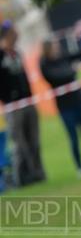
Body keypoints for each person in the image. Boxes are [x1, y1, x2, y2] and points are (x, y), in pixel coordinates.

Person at [40, 35, 81, 177]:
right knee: (73, 138)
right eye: (54, 45)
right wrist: (73, 71)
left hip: (80, 101)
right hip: (65, 107)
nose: (57, 47)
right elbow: (57, 77)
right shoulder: (44, 64)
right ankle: (80, 168)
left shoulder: (63, 56)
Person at [0, 20, 46, 187]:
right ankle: (21, 178)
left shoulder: (17, 53)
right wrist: (7, 99)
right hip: (12, 107)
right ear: (7, 35)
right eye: (14, 32)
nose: (17, 35)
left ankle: (38, 173)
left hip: (27, 101)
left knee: (34, 140)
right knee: (19, 144)